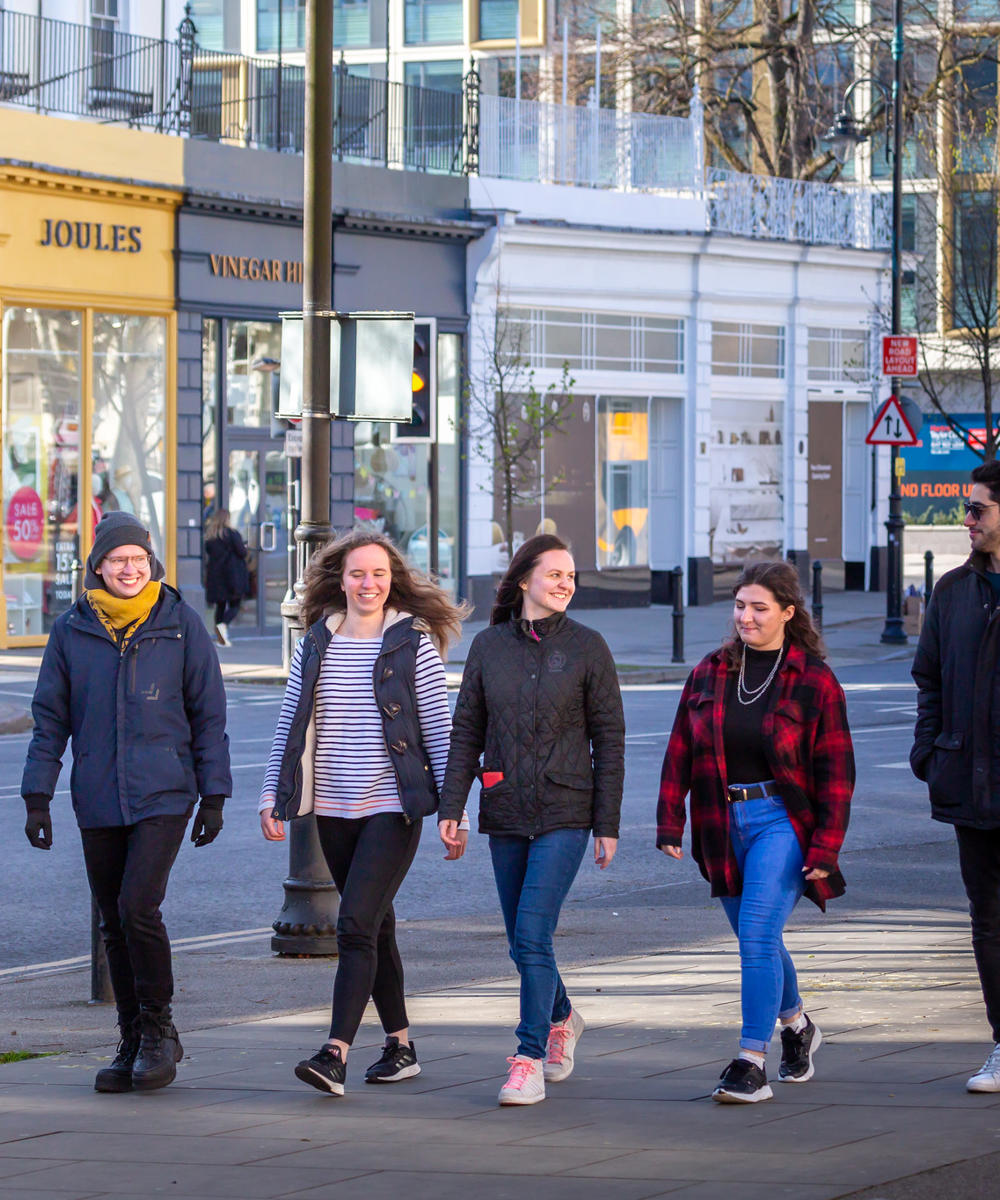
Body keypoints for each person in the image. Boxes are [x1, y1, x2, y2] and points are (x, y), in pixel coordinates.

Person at [21, 510, 231, 1094]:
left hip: (164, 790)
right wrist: (38, 795)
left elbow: (208, 717)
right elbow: (50, 718)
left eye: (138, 560)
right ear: (98, 568)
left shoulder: (181, 624)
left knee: (139, 905)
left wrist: (214, 796)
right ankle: (132, 1036)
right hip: (97, 793)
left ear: (152, 564)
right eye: (118, 561)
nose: (129, 569)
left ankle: (161, 1029)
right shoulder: (71, 630)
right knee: (112, 918)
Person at [259, 530, 469, 1098]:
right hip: (329, 806)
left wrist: (455, 809)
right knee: (377, 926)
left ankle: (335, 1053)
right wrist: (270, 796)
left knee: (352, 926)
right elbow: (291, 725)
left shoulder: (411, 645)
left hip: (390, 807)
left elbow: (439, 731)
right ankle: (400, 1046)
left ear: (392, 580)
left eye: (378, 574)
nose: (368, 584)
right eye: (357, 574)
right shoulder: (316, 643)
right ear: (340, 580)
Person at [438, 533, 625, 1107]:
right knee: (523, 944)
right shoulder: (489, 647)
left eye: (571, 575)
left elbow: (609, 739)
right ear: (524, 580)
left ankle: (528, 1056)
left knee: (533, 931)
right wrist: (452, 806)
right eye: (555, 573)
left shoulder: (589, 647)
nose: (566, 583)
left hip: (567, 810)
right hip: (506, 807)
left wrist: (607, 823)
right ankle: (564, 1015)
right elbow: (466, 730)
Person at [657, 560, 853, 1104]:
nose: (746, 616)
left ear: (788, 613)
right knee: (755, 936)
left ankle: (750, 1060)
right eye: (740, 605)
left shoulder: (814, 680)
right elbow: (680, 748)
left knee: (759, 933)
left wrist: (825, 848)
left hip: (782, 822)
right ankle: (798, 1025)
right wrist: (670, 819)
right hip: (721, 823)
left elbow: (838, 774)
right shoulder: (711, 671)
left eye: (759, 608)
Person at [911, 459, 1000, 1092]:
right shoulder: (951, 590)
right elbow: (929, 678)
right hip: (971, 783)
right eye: (965, 509)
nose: (965, 520)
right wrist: (930, 752)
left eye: (977, 510)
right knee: (989, 918)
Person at [204, 508, 249, 646]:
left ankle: (221, 638)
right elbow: (242, 552)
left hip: (216, 576)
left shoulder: (210, 537)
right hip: (232, 575)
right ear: (227, 519)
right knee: (236, 604)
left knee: (221, 605)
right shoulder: (232, 534)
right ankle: (223, 626)